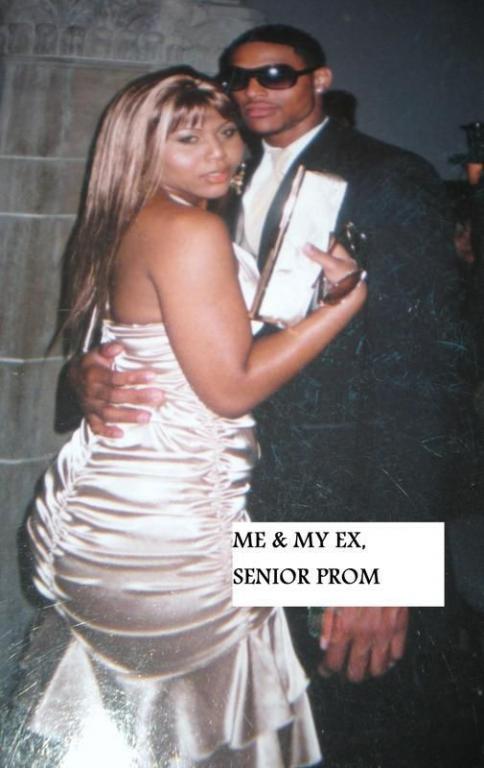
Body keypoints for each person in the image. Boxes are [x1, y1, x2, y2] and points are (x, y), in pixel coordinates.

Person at [71, 25, 483, 768]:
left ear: (320, 80)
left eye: (275, 74)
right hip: (223, 510)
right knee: (250, 717)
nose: (252, 91)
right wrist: (85, 374)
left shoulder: (390, 178)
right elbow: (146, 325)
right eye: (238, 77)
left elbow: (425, 381)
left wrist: (388, 564)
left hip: (344, 510)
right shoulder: (203, 188)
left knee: (363, 718)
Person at [21, 69, 367, 767]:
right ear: (140, 148)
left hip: (123, 510)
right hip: (178, 535)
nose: (218, 152)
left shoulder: (128, 219)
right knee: (399, 576)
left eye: (225, 131)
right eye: (188, 138)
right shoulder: (188, 226)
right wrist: (344, 303)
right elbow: (230, 389)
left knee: (393, 579)